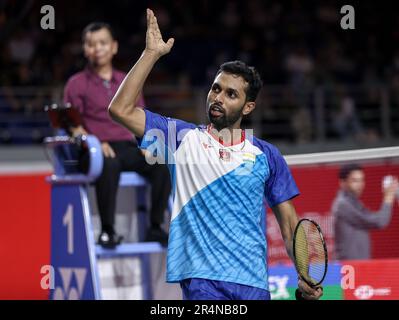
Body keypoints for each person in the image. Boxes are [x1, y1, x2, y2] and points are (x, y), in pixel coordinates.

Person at [108, 9, 322, 300]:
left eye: (231, 94)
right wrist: (150, 54)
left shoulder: (266, 155)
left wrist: (304, 274)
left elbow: (289, 224)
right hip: (203, 281)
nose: (218, 97)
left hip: (254, 282)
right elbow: (119, 110)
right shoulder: (181, 139)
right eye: (216, 89)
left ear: (248, 107)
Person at [63, 22, 171, 248]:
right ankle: (107, 232)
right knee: (108, 163)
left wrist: (146, 144)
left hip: (126, 147)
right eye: (91, 44)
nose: (97, 49)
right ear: (85, 49)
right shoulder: (76, 84)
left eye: (103, 43)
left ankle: (155, 227)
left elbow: (138, 118)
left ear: (114, 47)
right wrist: (94, 143)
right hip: (94, 150)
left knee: (161, 161)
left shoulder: (126, 80)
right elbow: (72, 124)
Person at [332, 163, 399, 260]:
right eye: (355, 181)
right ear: (343, 183)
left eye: (361, 180)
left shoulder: (355, 203)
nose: (360, 185)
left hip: (359, 267)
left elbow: (378, 219)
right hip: (347, 269)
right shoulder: (343, 205)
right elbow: (380, 222)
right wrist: (388, 197)